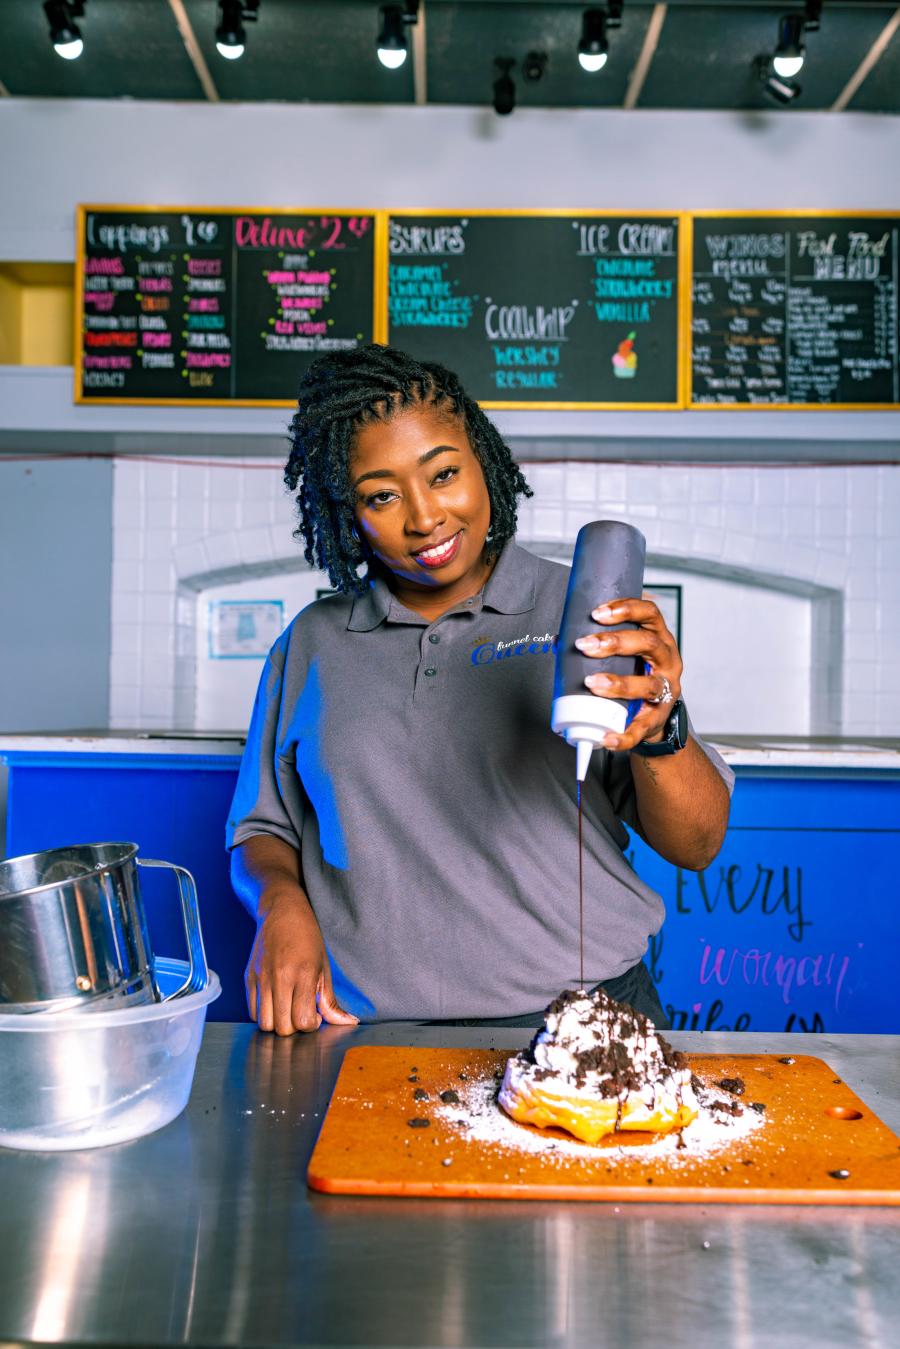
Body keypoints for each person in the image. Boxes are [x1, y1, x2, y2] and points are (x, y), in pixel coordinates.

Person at [227, 344, 732, 1035]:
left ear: (484, 461)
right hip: (367, 1032)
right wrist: (280, 902)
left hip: (588, 1021)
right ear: (348, 510)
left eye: (443, 474)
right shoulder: (313, 643)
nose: (424, 516)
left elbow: (698, 844)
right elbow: (262, 827)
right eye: (382, 494)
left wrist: (662, 725)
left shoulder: (585, 613)